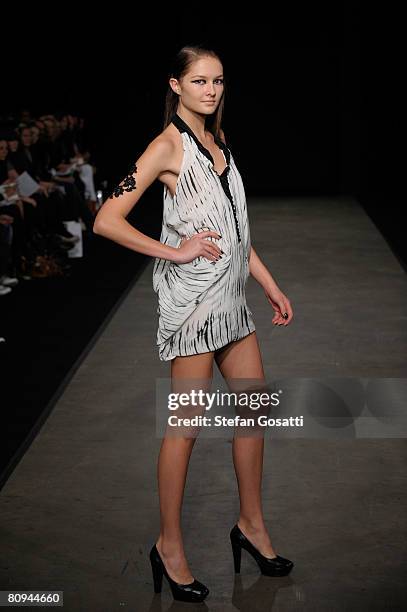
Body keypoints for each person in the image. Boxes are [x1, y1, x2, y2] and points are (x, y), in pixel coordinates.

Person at [93, 44, 294, 603]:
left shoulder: (218, 140)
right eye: (200, 81)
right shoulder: (166, 146)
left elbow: (235, 229)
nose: (211, 90)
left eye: (219, 81)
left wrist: (269, 284)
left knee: (254, 414)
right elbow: (106, 219)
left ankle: (251, 526)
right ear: (176, 86)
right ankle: (169, 546)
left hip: (233, 303)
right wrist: (172, 251)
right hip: (195, 307)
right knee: (185, 427)